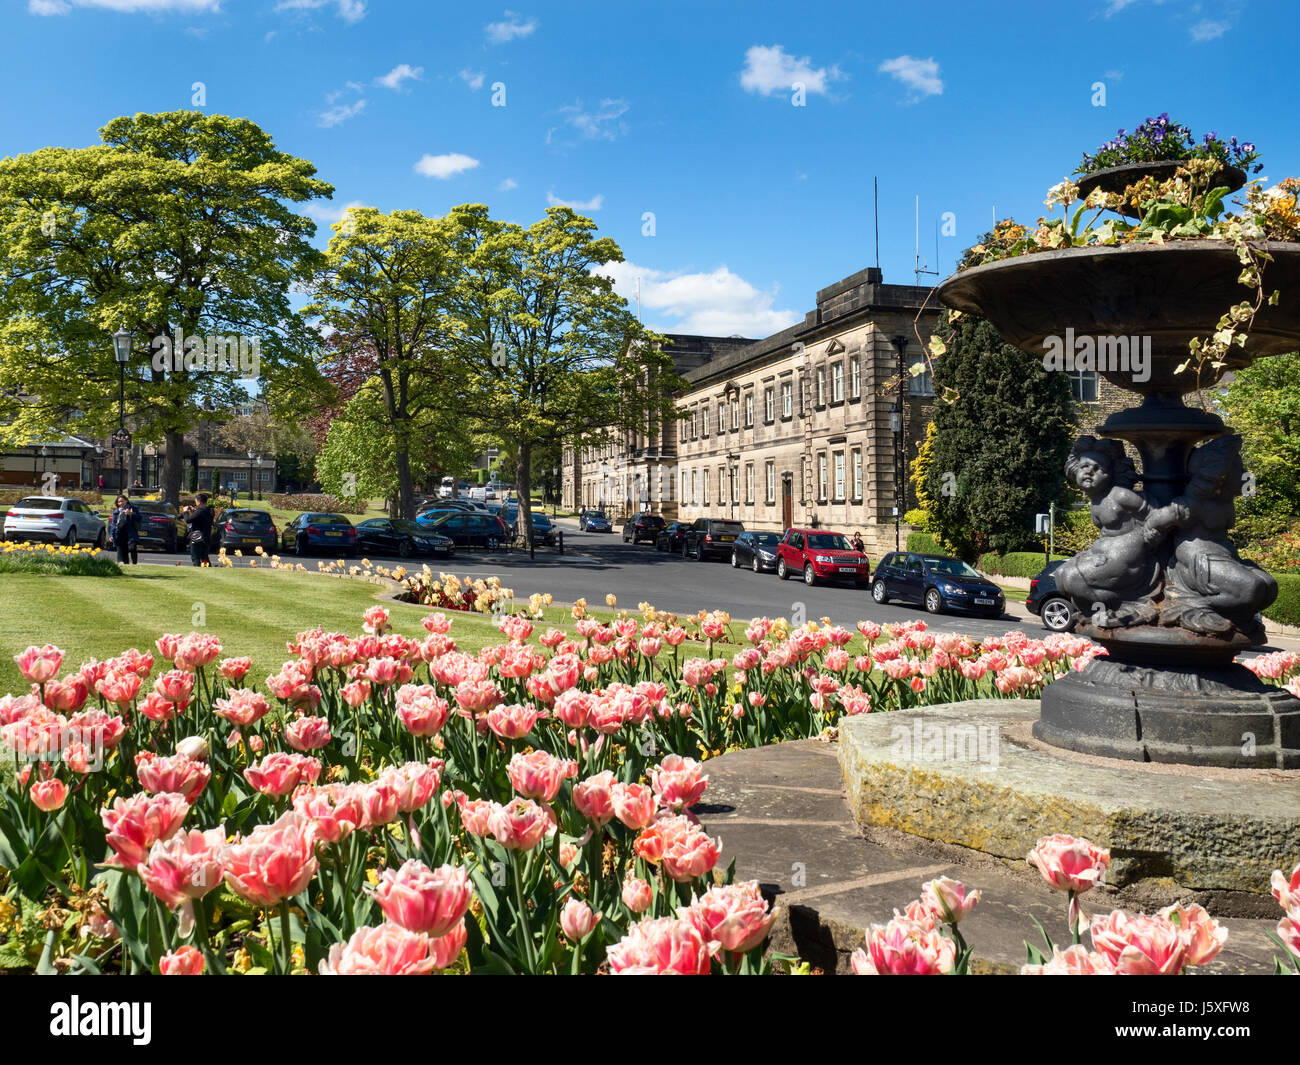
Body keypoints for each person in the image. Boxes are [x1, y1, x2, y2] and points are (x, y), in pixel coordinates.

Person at [107, 494, 140, 566]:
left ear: (126, 501)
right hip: (120, 532)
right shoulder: (116, 512)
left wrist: (131, 514)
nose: (121, 503)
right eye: (119, 502)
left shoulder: (133, 508)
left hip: (130, 531)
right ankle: (126, 564)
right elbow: (114, 524)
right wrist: (111, 535)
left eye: (122, 501)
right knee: (123, 550)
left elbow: (139, 518)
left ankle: (134, 563)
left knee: (132, 547)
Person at [182, 493, 214, 567]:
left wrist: (185, 512)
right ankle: (208, 570)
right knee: (204, 557)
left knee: (196, 557)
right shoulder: (209, 510)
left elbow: (188, 520)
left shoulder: (200, 511)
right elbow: (200, 519)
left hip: (197, 537)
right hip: (206, 537)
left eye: (195, 501)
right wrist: (194, 511)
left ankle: (198, 568)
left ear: (198, 501)